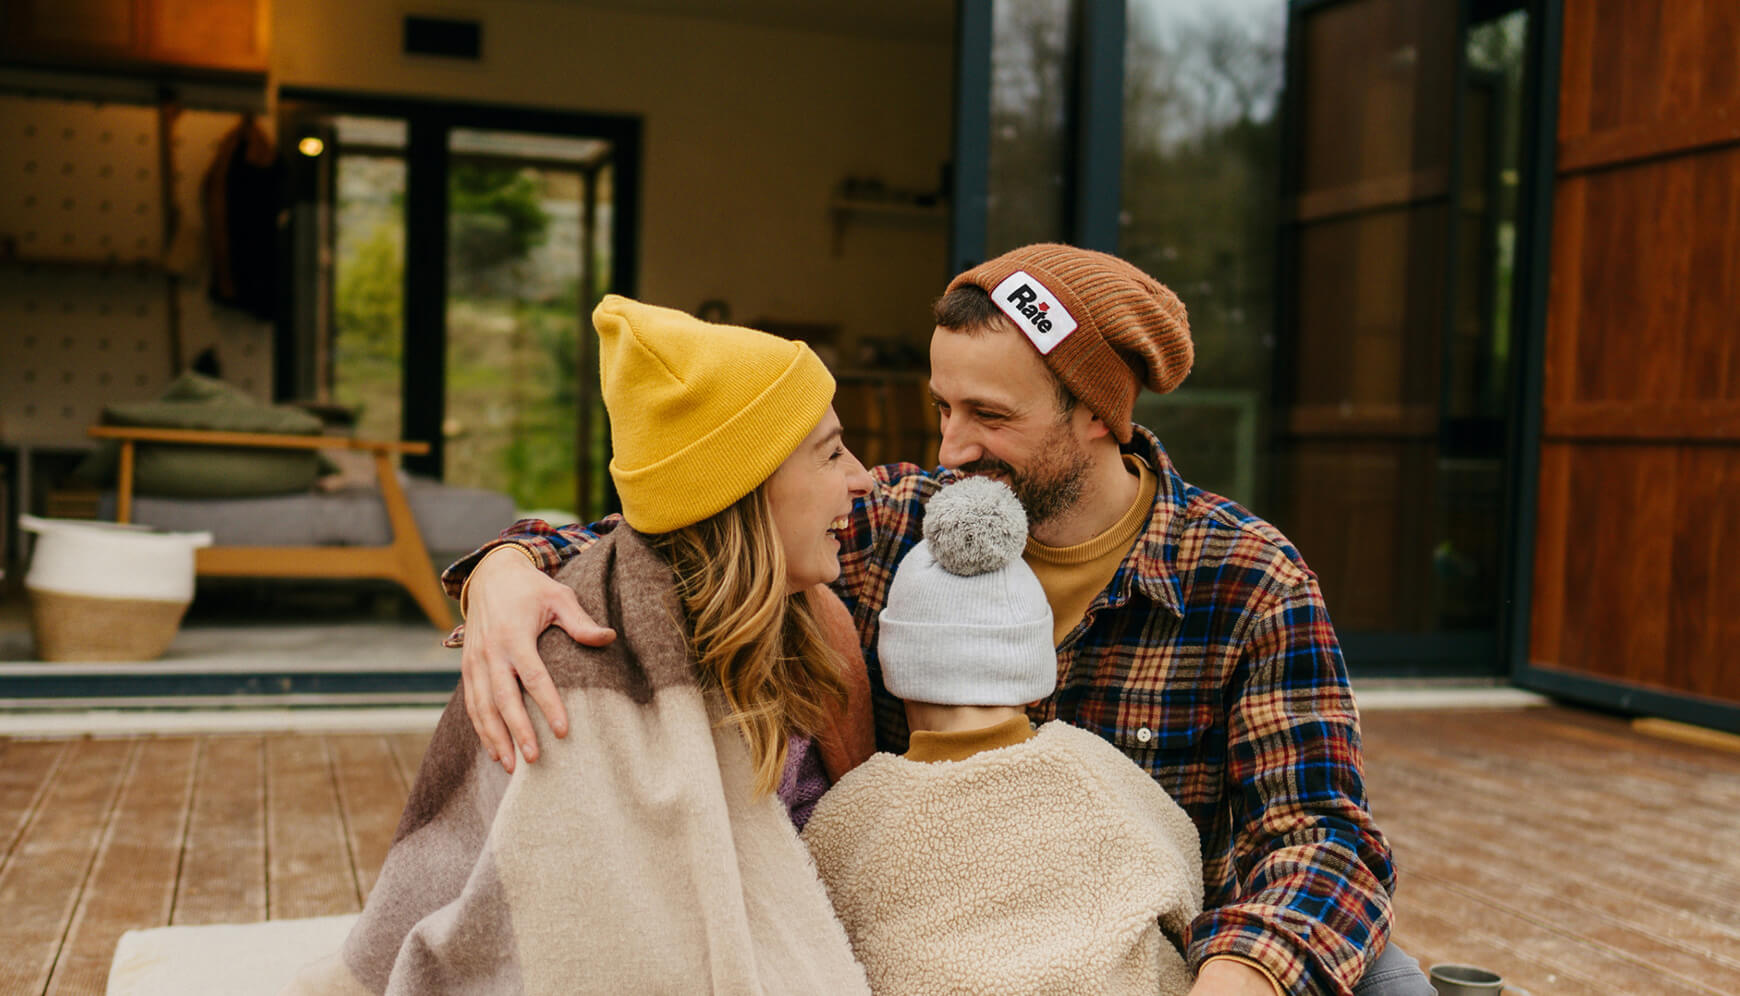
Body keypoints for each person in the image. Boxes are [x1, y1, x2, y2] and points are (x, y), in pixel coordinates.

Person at [446, 244, 1435, 996]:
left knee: (1391, 982)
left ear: (1098, 415)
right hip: (926, 948)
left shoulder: (1246, 577)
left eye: (991, 417)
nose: (950, 447)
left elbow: (1317, 828)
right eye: (942, 406)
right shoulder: (890, 523)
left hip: (1155, 956)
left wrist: (1236, 979)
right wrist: (507, 564)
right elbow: (693, 523)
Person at [284, 296, 878, 994]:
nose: (862, 477)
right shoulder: (578, 668)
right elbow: (581, 941)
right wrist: (500, 567)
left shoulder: (815, 622)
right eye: (832, 452)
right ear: (743, 487)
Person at [801, 474, 1204, 995]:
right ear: (1033, 675)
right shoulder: (1096, 768)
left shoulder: (852, 812)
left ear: (898, 672)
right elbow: (1183, 877)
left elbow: (810, 932)